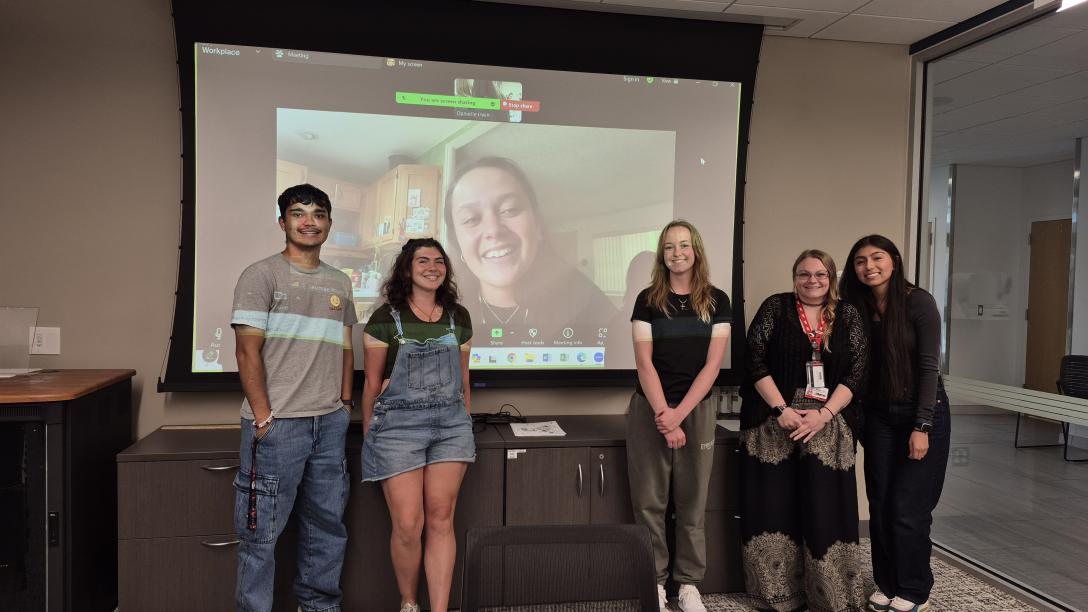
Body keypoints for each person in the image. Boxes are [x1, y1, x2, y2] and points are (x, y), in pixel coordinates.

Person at [231, 183, 356, 612]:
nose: (309, 221)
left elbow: (344, 346)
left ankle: (318, 607)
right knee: (260, 536)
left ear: (328, 224)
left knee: (327, 528)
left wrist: (344, 403)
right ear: (283, 222)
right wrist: (264, 417)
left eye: (318, 214)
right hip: (278, 426)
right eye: (299, 213)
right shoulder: (260, 275)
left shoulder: (340, 281)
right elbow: (246, 351)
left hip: (329, 423)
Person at [738, 250, 868, 612]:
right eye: (803, 274)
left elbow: (857, 372)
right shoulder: (775, 308)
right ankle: (778, 596)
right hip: (773, 418)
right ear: (794, 277)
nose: (812, 281)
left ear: (832, 278)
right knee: (774, 506)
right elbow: (753, 359)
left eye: (820, 275)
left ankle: (831, 595)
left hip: (828, 421)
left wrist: (823, 414)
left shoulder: (849, 315)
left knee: (825, 508)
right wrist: (781, 409)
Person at [361, 237, 475, 612]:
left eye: (439, 261)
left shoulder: (459, 317)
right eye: (422, 261)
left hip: (450, 426)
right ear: (407, 270)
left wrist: (465, 423)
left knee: (442, 518)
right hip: (397, 429)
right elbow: (372, 384)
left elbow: (464, 379)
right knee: (409, 523)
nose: (432, 267)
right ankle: (409, 603)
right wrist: (370, 438)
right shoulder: (384, 318)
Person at [840, 235, 950, 612]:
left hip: (921, 414)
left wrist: (923, 426)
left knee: (909, 508)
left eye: (877, 257)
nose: (869, 266)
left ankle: (915, 588)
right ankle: (887, 583)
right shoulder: (857, 306)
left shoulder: (918, 301)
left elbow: (928, 368)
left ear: (894, 260)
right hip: (879, 418)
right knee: (882, 503)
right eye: (860, 261)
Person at [627, 220, 731, 612]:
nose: (677, 253)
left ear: (696, 251)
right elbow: (644, 364)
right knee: (649, 503)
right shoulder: (647, 300)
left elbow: (713, 366)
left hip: (696, 409)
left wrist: (679, 416)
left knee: (691, 503)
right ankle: (653, 581)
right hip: (648, 409)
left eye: (684, 245)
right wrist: (662, 414)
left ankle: (687, 585)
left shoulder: (717, 300)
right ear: (662, 255)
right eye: (669, 247)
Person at [443, 156, 618, 341]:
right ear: (457, 242)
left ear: (537, 225)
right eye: (471, 219)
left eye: (509, 209)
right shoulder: (438, 313)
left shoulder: (589, 305)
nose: (493, 230)